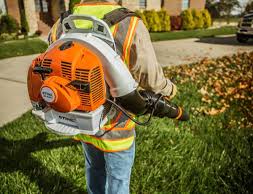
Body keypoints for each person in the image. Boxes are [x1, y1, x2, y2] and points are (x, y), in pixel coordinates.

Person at [48, 0, 177, 193]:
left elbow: (53, 61)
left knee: (94, 169)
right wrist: (170, 90)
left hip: (83, 119)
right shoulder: (129, 24)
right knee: (118, 180)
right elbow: (151, 78)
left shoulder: (62, 23)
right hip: (118, 124)